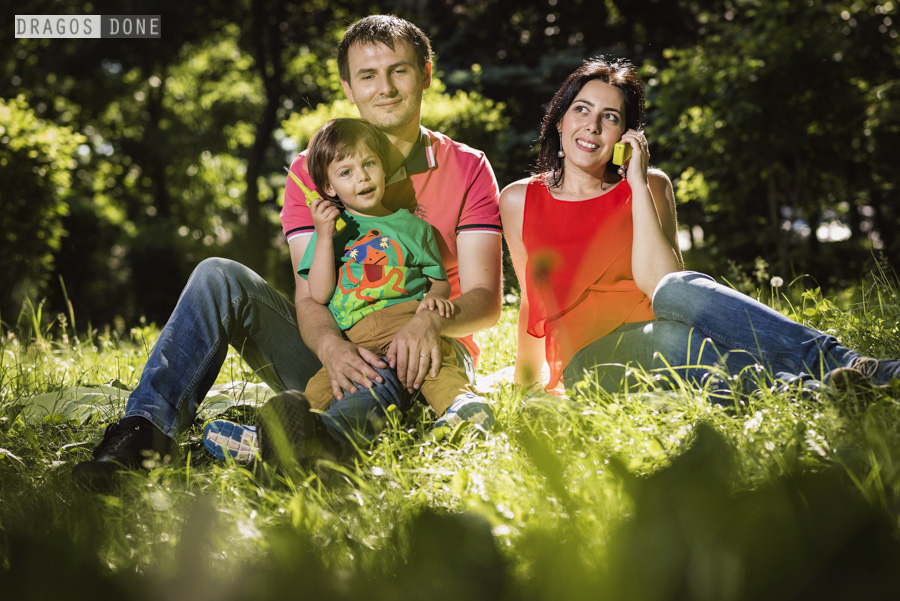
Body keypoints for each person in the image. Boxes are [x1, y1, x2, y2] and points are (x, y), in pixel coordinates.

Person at [74, 15, 502, 487]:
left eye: (399, 70)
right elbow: (310, 297)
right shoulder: (312, 172)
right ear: (348, 87)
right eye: (367, 75)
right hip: (336, 354)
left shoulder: (467, 167)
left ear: (425, 73)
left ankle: (318, 441)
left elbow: (484, 299)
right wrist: (332, 348)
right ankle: (142, 434)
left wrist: (430, 318)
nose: (386, 88)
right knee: (217, 274)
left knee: (397, 367)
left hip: (427, 356)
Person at [500, 56, 899, 397]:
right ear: (559, 121)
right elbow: (533, 304)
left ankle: (856, 368)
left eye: (610, 117)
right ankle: (809, 393)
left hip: (658, 328)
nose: (592, 126)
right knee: (669, 341)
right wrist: (528, 386)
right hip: (589, 361)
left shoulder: (650, 186)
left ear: (626, 136)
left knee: (677, 303)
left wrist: (636, 183)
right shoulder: (519, 200)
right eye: (581, 110)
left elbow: (664, 287)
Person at [201, 118, 493, 463]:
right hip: (355, 341)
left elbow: (437, 278)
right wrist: (324, 236)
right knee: (325, 386)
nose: (362, 177)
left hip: (405, 326)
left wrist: (434, 302)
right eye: (346, 172)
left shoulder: (413, 227)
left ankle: (461, 409)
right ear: (328, 188)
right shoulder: (333, 237)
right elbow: (319, 293)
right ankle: (277, 436)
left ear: (383, 169)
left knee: (434, 365)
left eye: (369, 164)